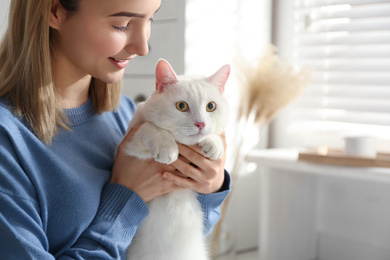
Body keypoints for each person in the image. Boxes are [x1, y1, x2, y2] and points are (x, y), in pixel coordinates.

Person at [0, 0, 231, 259]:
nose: (143, 48)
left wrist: (207, 187)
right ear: (55, 11)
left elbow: (172, 241)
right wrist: (125, 199)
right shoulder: (8, 142)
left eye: (150, 19)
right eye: (122, 25)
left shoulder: (125, 113)